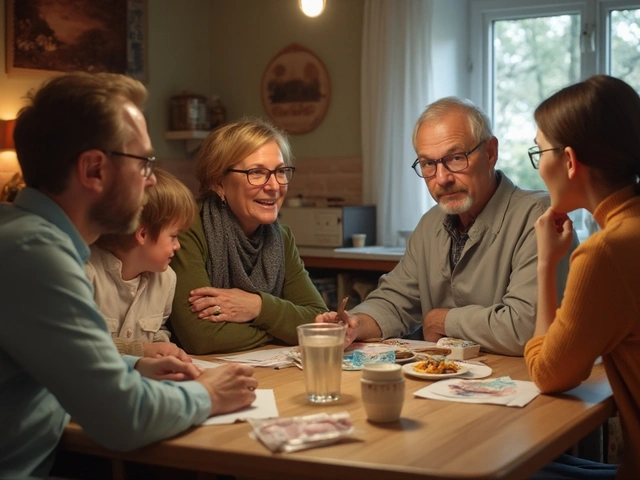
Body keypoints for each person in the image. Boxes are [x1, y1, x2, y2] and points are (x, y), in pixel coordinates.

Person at [0, 72, 257, 479]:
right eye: (144, 163)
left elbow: (58, 367)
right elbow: (123, 419)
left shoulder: (21, 235)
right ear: (94, 170)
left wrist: (131, 368)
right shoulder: (36, 255)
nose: (151, 179)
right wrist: (207, 393)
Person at [317, 96, 574, 356]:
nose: (442, 179)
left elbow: (527, 328)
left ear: (490, 153)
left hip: (527, 386)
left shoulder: (540, 218)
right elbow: (394, 301)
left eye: (456, 158)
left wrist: (442, 320)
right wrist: (355, 324)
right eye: (428, 164)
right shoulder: (430, 225)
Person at [525, 75, 640, 478]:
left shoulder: (606, 251)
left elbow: (548, 374)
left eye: (539, 151)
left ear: (570, 161)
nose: (538, 166)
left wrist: (546, 264)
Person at [169, 118, 328, 354]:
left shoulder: (282, 238)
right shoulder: (188, 227)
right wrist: (283, 329)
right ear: (218, 182)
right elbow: (202, 337)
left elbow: (319, 322)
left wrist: (258, 306)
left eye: (280, 172)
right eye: (257, 172)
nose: (274, 186)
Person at [86, 168, 197, 360]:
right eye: (173, 236)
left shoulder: (167, 279)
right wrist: (140, 351)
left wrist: (164, 350)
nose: (177, 245)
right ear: (143, 234)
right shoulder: (87, 273)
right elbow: (80, 345)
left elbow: (159, 330)